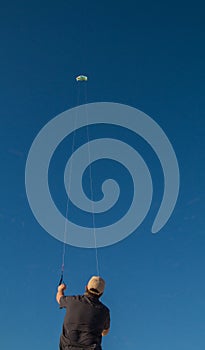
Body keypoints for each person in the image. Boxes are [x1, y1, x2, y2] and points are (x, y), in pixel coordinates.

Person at [56, 276, 110, 350]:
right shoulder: (105, 311)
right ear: (101, 293)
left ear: (86, 287)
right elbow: (105, 332)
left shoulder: (72, 301)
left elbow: (59, 298)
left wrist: (60, 290)